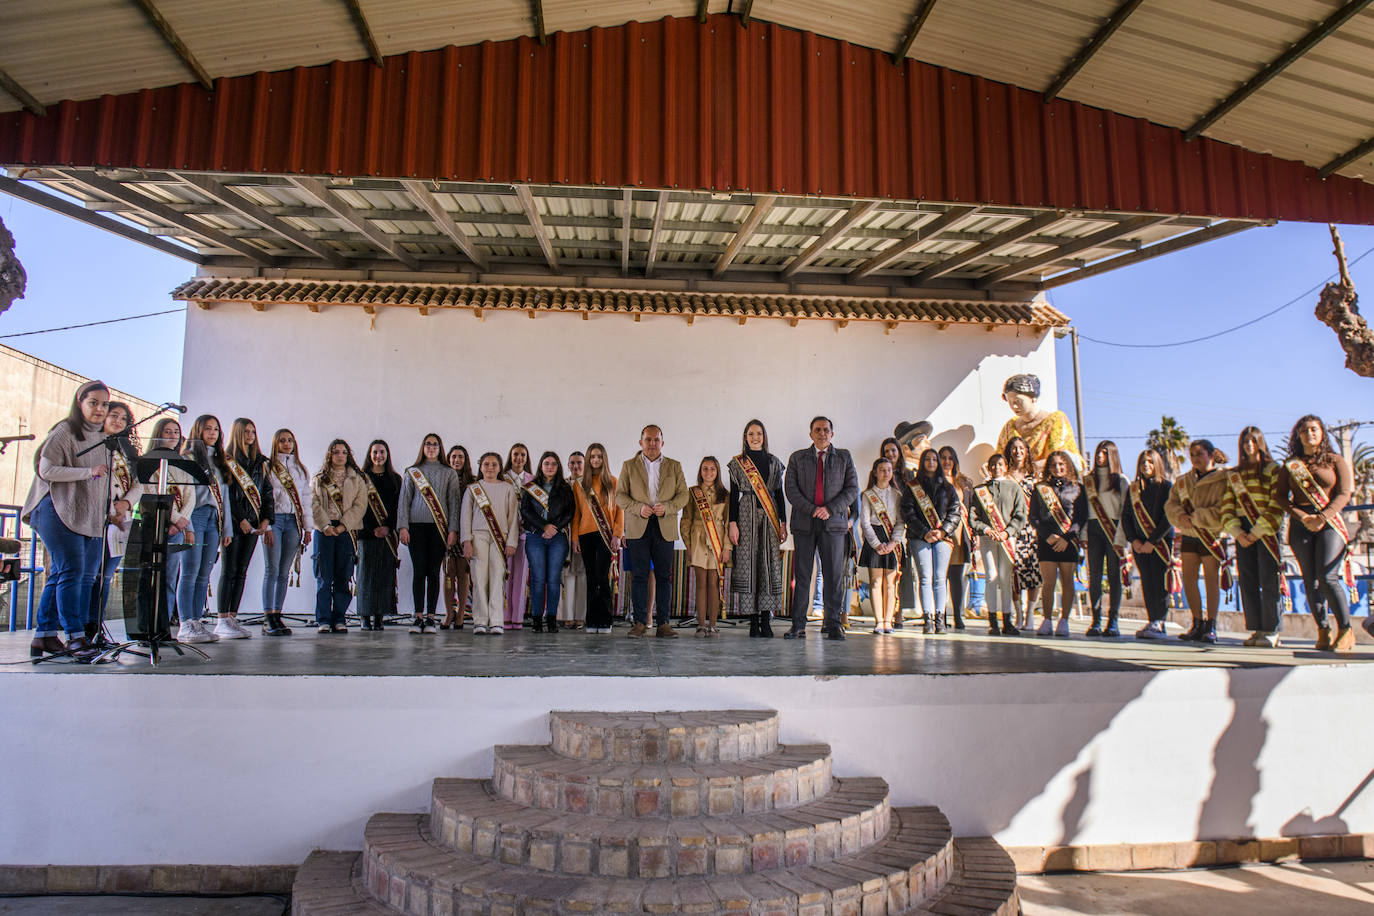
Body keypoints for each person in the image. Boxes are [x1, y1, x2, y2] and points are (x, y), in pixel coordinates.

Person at [21, 381, 112, 661]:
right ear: (79, 402)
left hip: (82, 512)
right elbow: (46, 469)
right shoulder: (65, 431)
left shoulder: (102, 437)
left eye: (104, 404)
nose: (99, 409)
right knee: (72, 570)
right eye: (93, 402)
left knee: (62, 573)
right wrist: (87, 472)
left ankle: (44, 635)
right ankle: (75, 637)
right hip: (55, 508)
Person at [1277, 415, 1356, 652]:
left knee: (1327, 576)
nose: (1309, 434)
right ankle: (1323, 629)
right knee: (1309, 580)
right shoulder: (1291, 464)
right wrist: (1303, 517)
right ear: (1298, 436)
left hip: (1330, 523)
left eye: (1313, 429)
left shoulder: (1334, 460)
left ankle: (1345, 629)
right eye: (1304, 431)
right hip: (1302, 524)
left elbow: (1344, 493)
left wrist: (1322, 517)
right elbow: (1280, 497)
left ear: (1322, 432)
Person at [615, 425, 689, 639]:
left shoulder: (674, 466)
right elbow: (620, 496)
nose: (652, 444)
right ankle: (639, 623)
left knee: (664, 577)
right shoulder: (628, 466)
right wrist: (638, 508)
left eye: (656, 440)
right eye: (648, 439)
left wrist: (668, 507)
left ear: (662, 443)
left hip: (665, 526)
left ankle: (664, 624)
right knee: (639, 576)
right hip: (638, 526)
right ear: (640, 442)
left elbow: (683, 495)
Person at [172, 415, 233, 644]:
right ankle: (185, 622)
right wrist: (184, 522)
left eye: (216, 429)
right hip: (193, 516)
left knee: (203, 574)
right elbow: (182, 496)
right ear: (198, 431)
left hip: (212, 519)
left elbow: (224, 498)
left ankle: (197, 621)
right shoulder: (187, 459)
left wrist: (227, 529)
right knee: (189, 571)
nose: (212, 433)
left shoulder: (219, 462)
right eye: (207, 429)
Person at [1221, 427, 1284, 648]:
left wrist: (1257, 532)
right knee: (1247, 580)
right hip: (1243, 530)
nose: (1249, 445)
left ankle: (1272, 629)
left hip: (1266, 529)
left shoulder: (1273, 469)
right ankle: (1257, 628)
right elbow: (1228, 505)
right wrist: (1238, 533)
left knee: (1269, 579)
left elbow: (1277, 503)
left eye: (1253, 441)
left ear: (1261, 443)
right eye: (1245, 442)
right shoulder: (1234, 474)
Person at [1165, 439, 1230, 644]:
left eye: (1199, 454)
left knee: (1211, 580)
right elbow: (1171, 504)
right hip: (1189, 535)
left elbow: (1225, 507)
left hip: (1212, 535)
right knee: (1189, 580)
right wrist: (1179, 516)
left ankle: (1211, 624)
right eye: (1192, 455)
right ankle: (1197, 622)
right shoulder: (1183, 481)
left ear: (1210, 455)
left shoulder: (1223, 479)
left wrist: (1199, 517)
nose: (1195, 459)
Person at [727, 420, 788, 638]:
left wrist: (783, 521)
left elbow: (779, 495)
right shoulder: (737, 463)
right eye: (751, 433)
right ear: (745, 437)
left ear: (764, 436)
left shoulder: (774, 462)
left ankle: (765, 618)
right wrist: (732, 523)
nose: (755, 437)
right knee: (748, 564)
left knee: (767, 565)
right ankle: (753, 620)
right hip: (745, 516)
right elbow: (733, 496)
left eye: (759, 433)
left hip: (770, 517)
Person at [397, 433, 461, 634]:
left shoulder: (449, 472)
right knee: (419, 572)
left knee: (433, 573)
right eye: (428, 444)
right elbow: (404, 501)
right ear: (422, 447)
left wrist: (453, 530)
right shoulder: (412, 472)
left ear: (440, 448)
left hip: (439, 529)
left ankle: (431, 617)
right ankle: (417, 617)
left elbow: (454, 504)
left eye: (435, 444)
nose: (432, 447)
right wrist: (403, 527)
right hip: (416, 527)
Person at [217, 418, 275, 639]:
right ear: (237, 434)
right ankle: (222, 618)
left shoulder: (261, 462)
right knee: (229, 570)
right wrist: (240, 518)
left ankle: (232, 617)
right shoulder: (227, 460)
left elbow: (267, 493)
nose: (250, 435)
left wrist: (265, 520)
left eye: (253, 431)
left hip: (253, 526)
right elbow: (227, 494)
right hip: (234, 523)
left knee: (241, 572)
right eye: (246, 432)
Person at [89, 401, 141, 641]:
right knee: (89, 576)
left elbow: (139, 484)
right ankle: (83, 628)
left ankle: (96, 627)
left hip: (121, 521)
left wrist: (125, 504)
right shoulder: (92, 444)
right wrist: (111, 509)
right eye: (114, 416)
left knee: (105, 577)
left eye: (123, 418)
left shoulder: (125, 450)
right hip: (96, 518)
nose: (118, 421)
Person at [899, 447, 961, 635]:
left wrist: (943, 532)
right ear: (922, 462)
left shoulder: (948, 488)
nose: (932, 463)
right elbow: (907, 512)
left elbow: (955, 512)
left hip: (942, 538)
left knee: (939, 578)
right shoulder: (912, 486)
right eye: (928, 460)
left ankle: (940, 618)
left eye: (935, 460)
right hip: (919, 537)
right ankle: (927, 619)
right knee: (925, 577)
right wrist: (925, 532)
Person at [310, 439, 367, 634]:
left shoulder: (357, 479)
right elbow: (314, 503)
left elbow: (360, 506)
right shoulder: (319, 478)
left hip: (346, 530)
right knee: (324, 577)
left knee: (343, 575)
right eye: (336, 452)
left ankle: (340, 617)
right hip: (324, 530)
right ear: (329, 454)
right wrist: (325, 525)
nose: (340, 455)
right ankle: (323, 619)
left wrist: (343, 526)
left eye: (343, 452)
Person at [145, 418, 195, 637]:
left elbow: (190, 495)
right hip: (154, 525)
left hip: (176, 530)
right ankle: (149, 628)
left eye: (176, 432)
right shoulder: (148, 461)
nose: (172, 436)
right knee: (151, 580)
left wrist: (182, 520)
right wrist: (174, 517)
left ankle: (163, 629)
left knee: (169, 580)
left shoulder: (182, 463)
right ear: (158, 434)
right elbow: (152, 490)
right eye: (167, 431)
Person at [970, 452, 1028, 636]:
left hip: (1007, 538)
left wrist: (1007, 532)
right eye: (993, 464)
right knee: (991, 576)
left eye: (1000, 464)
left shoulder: (1014, 488)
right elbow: (973, 516)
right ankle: (993, 621)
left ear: (1006, 466)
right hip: (988, 537)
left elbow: (1020, 515)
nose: (996, 468)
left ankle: (1007, 620)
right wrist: (985, 529)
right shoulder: (981, 490)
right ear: (989, 467)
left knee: (1005, 579)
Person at [461, 452, 519, 634]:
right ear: (480, 466)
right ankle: (480, 621)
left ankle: (496, 621)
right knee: (478, 579)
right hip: (478, 536)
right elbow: (465, 517)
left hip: (500, 537)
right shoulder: (473, 489)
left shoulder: (507, 488)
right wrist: (466, 541)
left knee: (496, 578)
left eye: (494, 464)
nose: (490, 468)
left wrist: (512, 542)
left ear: (500, 467)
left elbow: (513, 518)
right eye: (486, 464)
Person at [1030, 450, 1087, 637]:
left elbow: (1080, 518)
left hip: (1068, 542)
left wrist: (1066, 538)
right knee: (1048, 582)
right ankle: (1046, 620)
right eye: (1054, 464)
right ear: (1049, 467)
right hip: (1047, 541)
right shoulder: (1040, 488)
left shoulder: (1078, 488)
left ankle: (1064, 620)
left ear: (1068, 466)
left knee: (1067, 581)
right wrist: (1048, 536)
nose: (1058, 468)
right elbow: (1034, 517)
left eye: (1061, 464)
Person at [261, 428, 311, 636]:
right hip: (275, 520)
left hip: (294, 522)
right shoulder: (268, 466)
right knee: (271, 569)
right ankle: (268, 617)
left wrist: (308, 527)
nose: (287, 444)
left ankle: (277, 614)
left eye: (290, 440)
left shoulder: (300, 469)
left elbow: (306, 499)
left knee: (284, 571)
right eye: (282, 440)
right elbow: (264, 497)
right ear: (276, 443)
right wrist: (267, 525)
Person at [570, 443, 623, 634]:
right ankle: (592, 621)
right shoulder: (579, 485)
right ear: (588, 459)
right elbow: (576, 513)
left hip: (605, 536)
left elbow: (619, 512)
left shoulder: (613, 482)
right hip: (585, 535)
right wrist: (575, 537)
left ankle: (605, 620)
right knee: (591, 579)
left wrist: (617, 535)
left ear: (604, 459)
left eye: (599, 456)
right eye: (592, 457)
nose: (595, 460)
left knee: (603, 577)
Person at [520, 451, 575, 633]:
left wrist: (554, 528)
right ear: (541, 466)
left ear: (558, 466)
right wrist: (544, 527)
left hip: (557, 538)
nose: (550, 467)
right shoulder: (530, 486)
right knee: (537, 579)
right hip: (535, 536)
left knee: (553, 579)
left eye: (553, 463)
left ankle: (551, 619)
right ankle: (536, 620)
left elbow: (569, 512)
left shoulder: (565, 488)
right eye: (546, 463)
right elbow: (526, 511)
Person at [1124, 449, 1175, 639]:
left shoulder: (1166, 487)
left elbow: (1168, 517)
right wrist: (1134, 540)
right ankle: (1151, 619)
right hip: (1139, 544)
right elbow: (1126, 516)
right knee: (1147, 581)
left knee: (1159, 582)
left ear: (1157, 464)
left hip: (1159, 543)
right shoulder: (1134, 490)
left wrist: (1152, 541)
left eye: (1150, 462)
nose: (1146, 465)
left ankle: (1160, 621)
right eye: (1143, 462)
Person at [1083, 441, 1130, 637]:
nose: (1100, 457)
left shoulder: (1121, 481)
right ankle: (1095, 621)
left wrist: (1121, 538)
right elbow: (1084, 510)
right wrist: (1083, 534)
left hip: (1114, 529)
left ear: (1112, 456)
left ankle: (1113, 621)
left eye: (1104, 453)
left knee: (1114, 576)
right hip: (1093, 528)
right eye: (1098, 453)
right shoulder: (1088, 480)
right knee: (1094, 577)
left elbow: (1126, 511)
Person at [681, 456, 730, 637]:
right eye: (705, 468)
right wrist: (688, 545)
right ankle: (701, 624)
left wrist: (727, 547)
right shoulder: (692, 492)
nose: (708, 472)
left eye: (712, 469)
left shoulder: (725, 494)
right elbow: (686, 520)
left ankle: (713, 624)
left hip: (717, 540)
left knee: (714, 583)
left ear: (717, 472)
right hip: (698, 540)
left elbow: (727, 523)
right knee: (701, 583)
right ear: (700, 471)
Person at [356, 439, 401, 631]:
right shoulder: (361, 478)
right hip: (366, 534)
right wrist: (370, 530)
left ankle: (379, 617)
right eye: (375, 452)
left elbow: (398, 507)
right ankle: (365, 616)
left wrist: (388, 528)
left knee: (384, 575)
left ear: (387, 455)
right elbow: (357, 506)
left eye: (382, 452)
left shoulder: (395, 479)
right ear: (369, 455)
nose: (378, 456)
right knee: (366, 576)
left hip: (387, 535)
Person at [995, 374, 1082, 472]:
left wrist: (1027, 469)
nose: (1014, 406)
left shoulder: (1055, 421)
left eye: (1018, 401)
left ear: (1033, 398)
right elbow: (1001, 456)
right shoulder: (1010, 427)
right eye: (1010, 402)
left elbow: (1060, 457)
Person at [859, 457, 905, 634]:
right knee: (876, 581)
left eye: (889, 470)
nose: (886, 473)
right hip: (875, 539)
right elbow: (864, 522)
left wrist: (894, 542)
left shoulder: (897, 495)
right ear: (875, 473)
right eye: (882, 470)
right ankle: (879, 621)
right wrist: (877, 544)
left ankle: (888, 620)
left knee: (890, 583)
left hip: (893, 538)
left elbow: (901, 521)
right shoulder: (867, 495)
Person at [1003, 436, 1041, 632]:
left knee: (1034, 572)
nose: (1017, 451)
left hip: (1032, 530)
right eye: (1014, 448)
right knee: (1014, 572)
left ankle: (1030, 614)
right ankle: (1018, 612)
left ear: (1027, 451)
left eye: (1021, 448)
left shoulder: (1035, 475)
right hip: (1012, 529)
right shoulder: (1005, 476)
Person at [880, 436, 918, 628]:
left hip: (904, 529)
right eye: (886, 452)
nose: (890, 454)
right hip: (885, 528)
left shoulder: (909, 475)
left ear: (899, 453)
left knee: (903, 572)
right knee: (886, 574)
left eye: (893, 450)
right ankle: (885, 612)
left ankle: (899, 612)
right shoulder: (880, 473)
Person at [938, 446, 976, 631]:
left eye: (950, 458)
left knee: (956, 577)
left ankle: (958, 615)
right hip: (942, 534)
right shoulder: (933, 481)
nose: (946, 461)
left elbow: (972, 507)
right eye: (943, 457)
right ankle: (941, 614)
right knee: (940, 577)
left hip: (960, 534)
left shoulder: (964, 482)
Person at [441, 445, 475, 630]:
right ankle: (448, 612)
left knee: (463, 575)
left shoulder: (473, 482)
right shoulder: (443, 479)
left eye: (460, 456)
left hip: (465, 534)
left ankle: (461, 613)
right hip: (446, 532)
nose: (457, 460)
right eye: (453, 456)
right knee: (448, 574)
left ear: (466, 459)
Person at [502, 443, 535, 630]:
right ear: (510, 456)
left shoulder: (532, 480)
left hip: (525, 534)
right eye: (515, 454)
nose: (519, 458)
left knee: (521, 575)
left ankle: (517, 618)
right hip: (505, 534)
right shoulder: (502, 477)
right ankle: (505, 616)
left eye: (523, 454)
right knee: (505, 575)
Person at [560, 451, 587, 631]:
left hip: (584, 532)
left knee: (583, 575)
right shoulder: (562, 485)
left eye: (579, 463)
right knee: (566, 574)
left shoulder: (589, 485)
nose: (576, 466)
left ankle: (581, 616)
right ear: (568, 465)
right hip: (565, 532)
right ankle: (567, 616)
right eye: (572, 463)